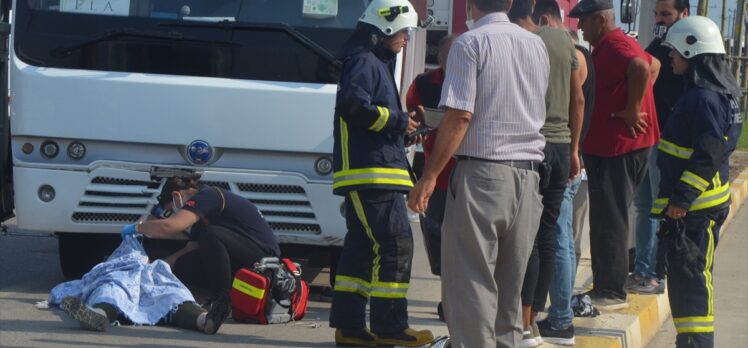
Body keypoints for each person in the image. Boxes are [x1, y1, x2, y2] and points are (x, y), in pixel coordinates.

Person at [409, 0, 550, 345]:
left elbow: (460, 116)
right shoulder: (536, 45)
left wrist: (428, 177)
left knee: (470, 285)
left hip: (483, 175)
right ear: (512, 3)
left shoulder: (470, 44)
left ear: (470, 5)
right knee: (508, 294)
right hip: (529, 177)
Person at [328, 0, 434, 346]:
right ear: (384, 28)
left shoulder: (374, 63)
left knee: (362, 250)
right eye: (403, 30)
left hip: (371, 171)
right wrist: (400, 120)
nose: (406, 37)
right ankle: (391, 329)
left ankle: (351, 328)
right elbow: (353, 107)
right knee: (396, 245)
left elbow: (369, 118)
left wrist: (405, 131)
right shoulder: (364, 61)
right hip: (371, 174)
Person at [656, 16, 743, 348]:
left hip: (693, 212)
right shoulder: (720, 94)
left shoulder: (702, 99)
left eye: (675, 51)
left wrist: (680, 199)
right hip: (699, 209)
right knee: (690, 281)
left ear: (693, 50)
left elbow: (708, 152)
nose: (671, 57)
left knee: (691, 286)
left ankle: (695, 344)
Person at [570, 0, 661, 310]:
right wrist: (640, 99)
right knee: (610, 216)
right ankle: (608, 286)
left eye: (583, 21)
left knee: (610, 220)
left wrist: (634, 108)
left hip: (617, 149)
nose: (580, 28)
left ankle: (611, 292)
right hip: (615, 148)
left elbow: (641, 67)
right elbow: (655, 66)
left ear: (600, 19)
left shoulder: (615, 45)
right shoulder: (614, 45)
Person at [508, 1, 583, 345]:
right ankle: (535, 317)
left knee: (527, 238)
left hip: (531, 148)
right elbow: (577, 99)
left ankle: (522, 321)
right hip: (561, 145)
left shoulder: (518, 39)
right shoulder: (563, 40)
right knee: (548, 235)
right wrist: (574, 150)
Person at [120, 175, 281, 334]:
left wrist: (137, 228)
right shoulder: (201, 214)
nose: (175, 213)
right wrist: (155, 268)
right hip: (241, 253)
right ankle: (212, 299)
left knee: (212, 234)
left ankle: (222, 301)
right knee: (184, 263)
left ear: (177, 195)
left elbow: (170, 226)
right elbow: (189, 249)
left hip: (262, 256)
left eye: (171, 210)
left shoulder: (208, 195)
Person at [532, 1, 595, 345]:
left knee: (555, 236)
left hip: (556, 149)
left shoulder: (559, 48)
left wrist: (572, 149)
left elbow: (576, 102)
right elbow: (580, 102)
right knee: (562, 238)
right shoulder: (579, 52)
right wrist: (574, 150)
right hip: (569, 152)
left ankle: (558, 317)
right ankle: (557, 314)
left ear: (541, 19)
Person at [629, 0, 689, 295]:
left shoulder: (689, 54)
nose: (660, 20)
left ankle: (656, 273)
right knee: (643, 207)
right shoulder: (657, 44)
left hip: (669, 144)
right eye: (656, 14)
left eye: (666, 14)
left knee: (658, 209)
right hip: (648, 139)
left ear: (684, 14)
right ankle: (642, 270)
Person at [404, 34, 457, 320]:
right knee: (436, 238)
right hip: (435, 176)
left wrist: (431, 117)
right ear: (440, 59)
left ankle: (452, 301)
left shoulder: (474, 80)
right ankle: (448, 295)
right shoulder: (424, 84)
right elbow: (413, 115)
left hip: (466, 176)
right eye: (450, 57)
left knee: (463, 245)